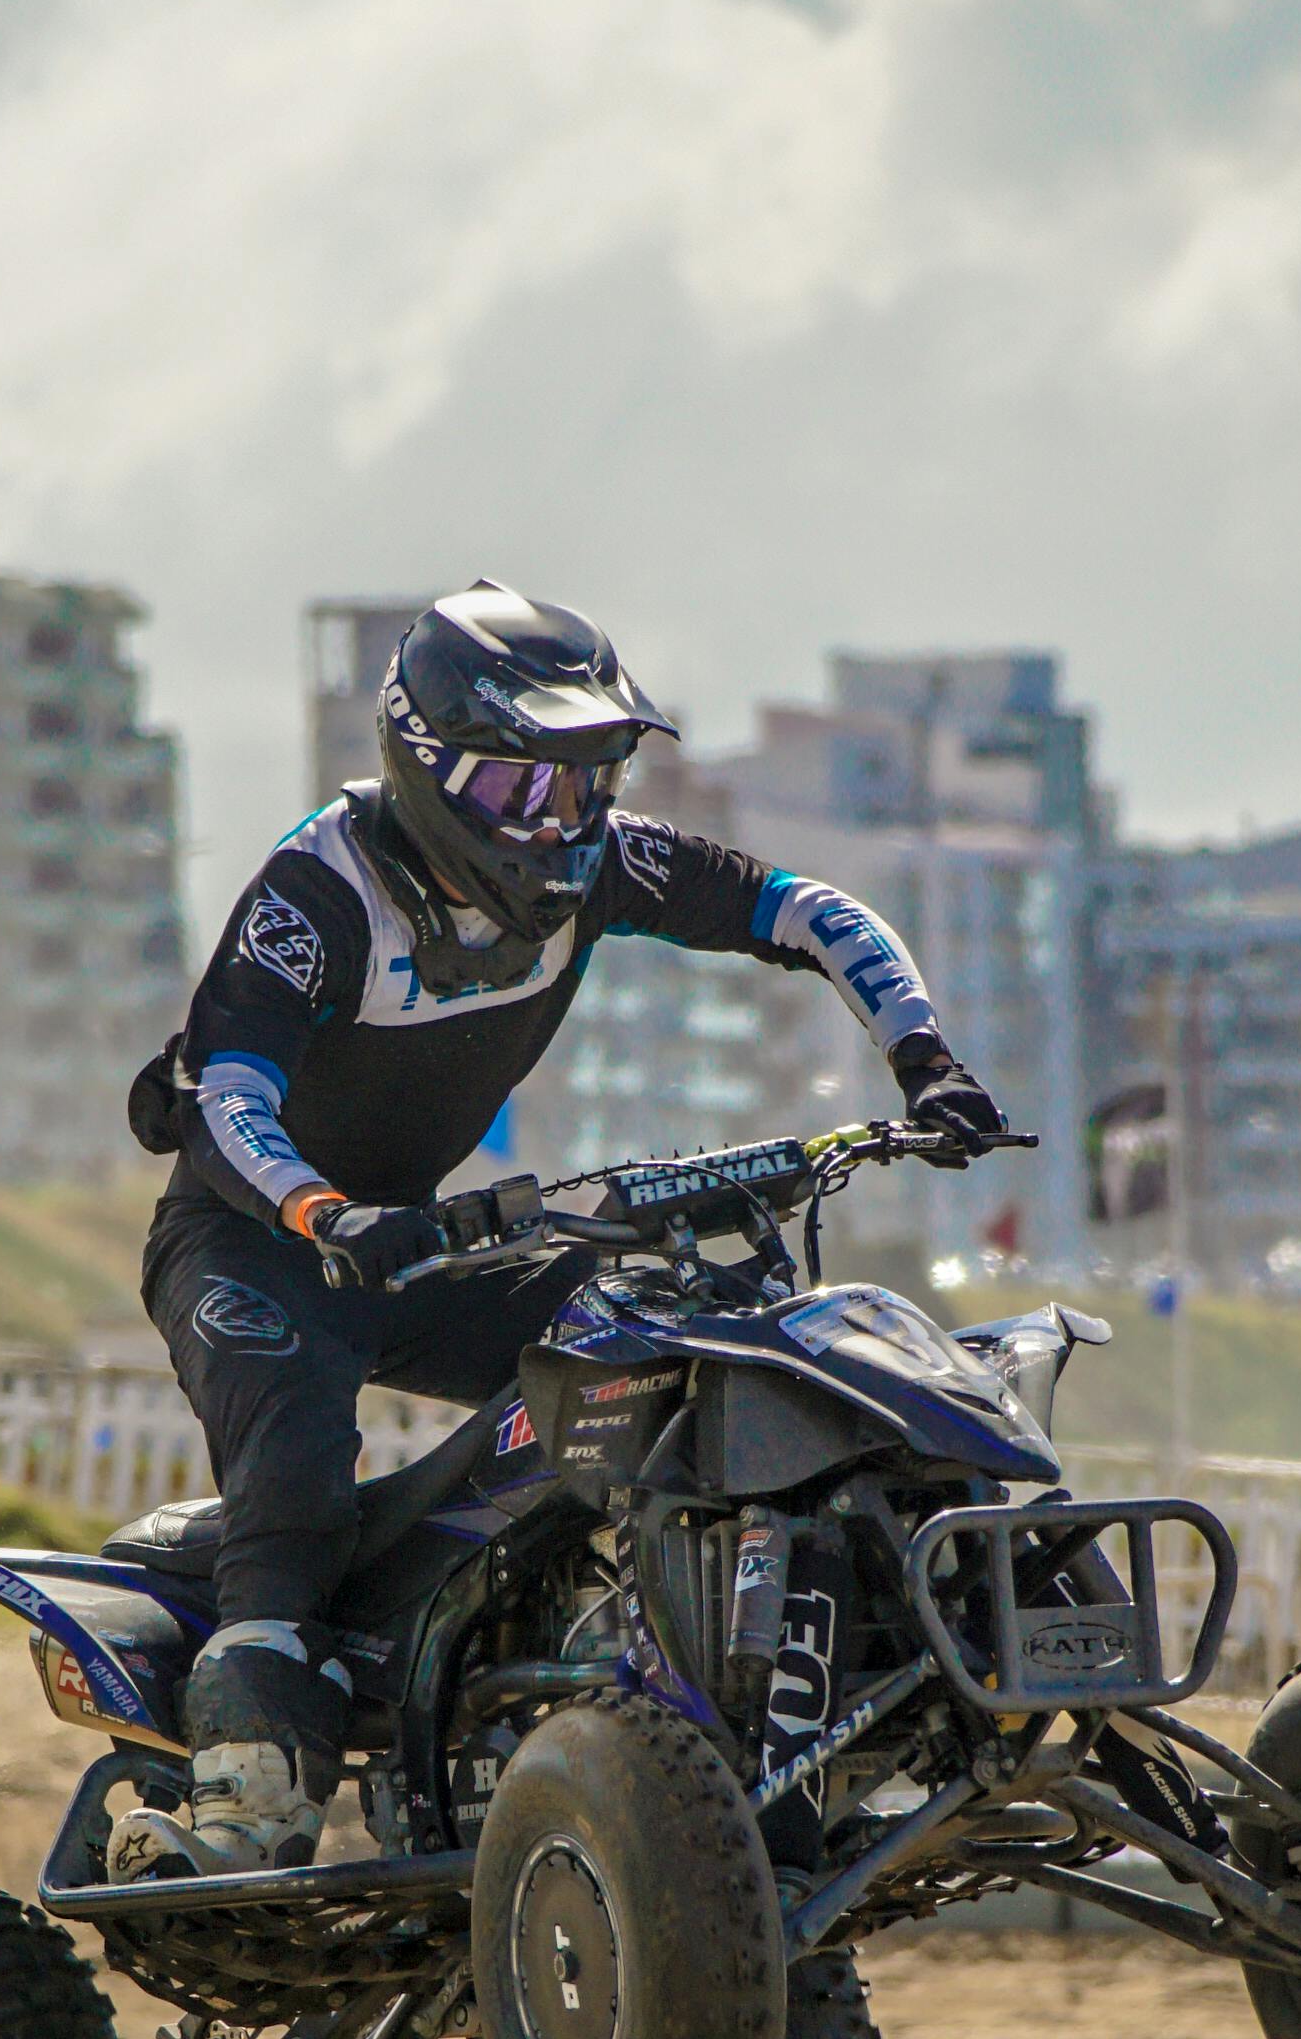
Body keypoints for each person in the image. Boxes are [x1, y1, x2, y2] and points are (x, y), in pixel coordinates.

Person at [115, 581, 1005, 1875]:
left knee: (655, 1347)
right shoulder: (318, 894)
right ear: (422, 767)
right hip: (251, 1240)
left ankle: (639, 1686)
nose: (564, 824)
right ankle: (246, 1813)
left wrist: (924, 1059)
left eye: (588, 783)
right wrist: (324, 1211)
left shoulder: (611, 868)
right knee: (297, 1476)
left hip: (418, 1242)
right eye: (524, 789)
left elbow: (815, 911)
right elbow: (225, 1095)